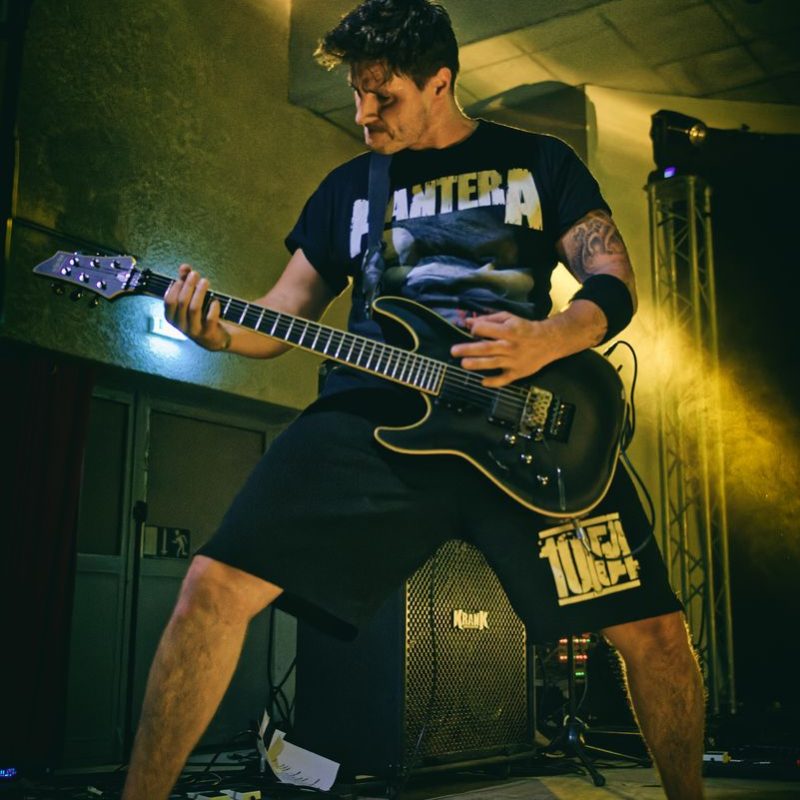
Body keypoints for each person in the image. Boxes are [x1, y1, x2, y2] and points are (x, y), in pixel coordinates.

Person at [121, 1, 705, 797]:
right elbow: (285, 310)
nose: (364, 114)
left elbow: (612, 280)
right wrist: (217, 333)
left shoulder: (538, 161)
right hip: (374, 418)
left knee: (656, 633)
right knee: (212, 587)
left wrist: (548, 337)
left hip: (523, 427)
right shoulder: (347, 189)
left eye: (384, 96)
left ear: (440, 82)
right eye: (357, 94)